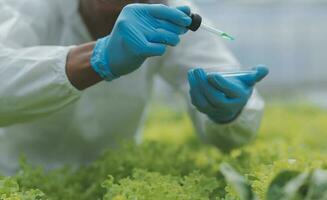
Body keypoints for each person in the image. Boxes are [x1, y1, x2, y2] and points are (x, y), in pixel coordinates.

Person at [0, 0, 268, 174]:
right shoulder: (30, 7)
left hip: (112, 182)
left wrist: (231, 111)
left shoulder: (172, 12)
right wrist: (97, 57)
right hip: (14, 176)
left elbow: (225, 79)